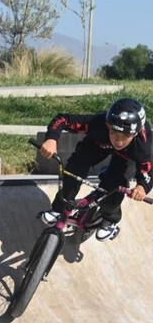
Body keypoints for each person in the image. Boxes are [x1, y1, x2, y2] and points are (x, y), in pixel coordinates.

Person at [39, 98, 152, 241]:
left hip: (126, 157)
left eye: (125, 136)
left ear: (135, 134)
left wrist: (142, 187)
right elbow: (63, 119)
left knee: (114, 186)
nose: (118, 141)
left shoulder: (142, 146)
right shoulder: (98, 124)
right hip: (98, 143)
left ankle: (109, 220)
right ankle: (59, 208)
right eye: (114, 132)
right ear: (107, 125)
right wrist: (51, 139)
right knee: (74, 169)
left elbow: (148, 171)